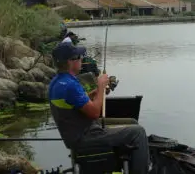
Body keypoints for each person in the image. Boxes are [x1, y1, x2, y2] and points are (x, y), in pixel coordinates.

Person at [48, 42, 150, 174]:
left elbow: (79, 103)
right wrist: (101, 86)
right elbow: (95, 113)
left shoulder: (57, 82)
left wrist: (96, 92)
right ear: (70, 61)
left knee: (132, 122)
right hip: (85, 137)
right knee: (138, 132)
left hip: (77, 133)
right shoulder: (70, 85)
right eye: (79, 57)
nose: (82, 60)